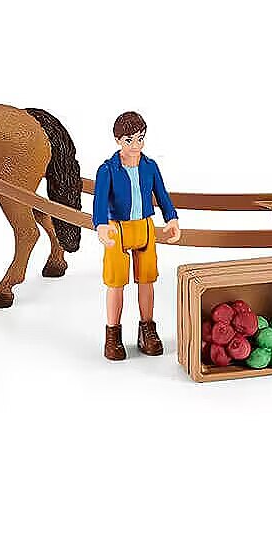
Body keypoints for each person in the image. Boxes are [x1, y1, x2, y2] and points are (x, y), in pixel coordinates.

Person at [92, 112, 181, 361]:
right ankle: (113, 334)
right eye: (129, 140)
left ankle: (147, 330)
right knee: (116, 283)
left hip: (144, 227)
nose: (136, 145)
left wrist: (171, 217)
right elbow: (99, 202)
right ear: (118, 140)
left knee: (147, 280)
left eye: (140, 138)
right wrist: (100, 225)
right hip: (117, 229)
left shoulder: (149, 166)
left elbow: (162, 194)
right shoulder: (108, 170)